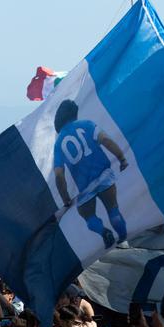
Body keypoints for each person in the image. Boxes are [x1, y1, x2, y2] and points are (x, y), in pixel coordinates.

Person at [53, 99, 130, 248]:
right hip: (104, 176)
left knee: (89, 218)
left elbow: (59, 175)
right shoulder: (86, 125)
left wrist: (66, 199)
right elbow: (106, 140)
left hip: (85, 187)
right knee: (113, 209)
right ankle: (123, 240)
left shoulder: (58, 143)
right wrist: (121, 158)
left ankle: (103, 232)